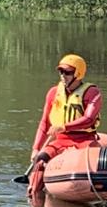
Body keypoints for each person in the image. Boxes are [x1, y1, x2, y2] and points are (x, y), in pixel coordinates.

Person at [28, 54, 102, 195]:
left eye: (68, 72)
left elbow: (89, 119)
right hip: (61, 140)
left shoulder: (92, 93)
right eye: (61, 72)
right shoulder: (53, 93)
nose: (63, 75)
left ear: (78, 73)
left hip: (85, 139)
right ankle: (34, 198)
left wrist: (64, 126)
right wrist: (36, 148)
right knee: (40, 159)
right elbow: (44, 123)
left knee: (91, 162)